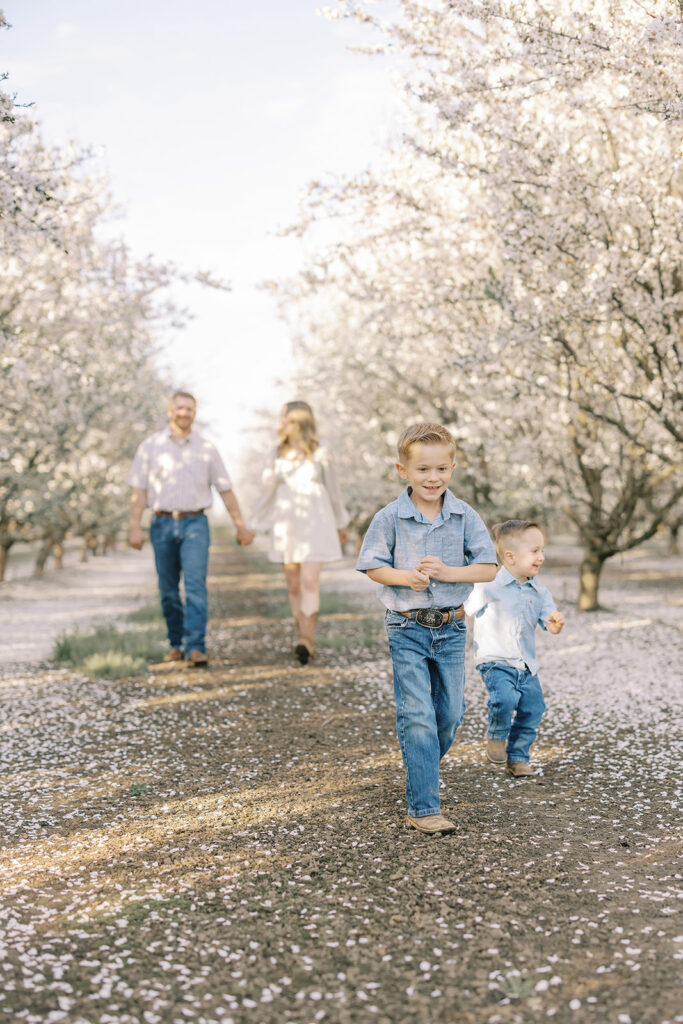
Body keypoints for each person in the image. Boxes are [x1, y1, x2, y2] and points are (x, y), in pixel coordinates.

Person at [356, 422, 497, 835]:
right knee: (417, 713)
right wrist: (405, 578)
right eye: (422, 470)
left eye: (440, 469)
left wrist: (450, 572)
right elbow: (372, 566)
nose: (432, 478)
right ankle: (423, 805)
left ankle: (421, 768)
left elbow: (489, 567)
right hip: (407, 627)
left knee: (450, 714)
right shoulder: (389, 517)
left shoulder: (465, 515)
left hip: (452, 628)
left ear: (452, 468)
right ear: (403, 470)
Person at [128, 391, 254, 666]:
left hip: (196, 522)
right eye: (180, 408)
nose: (185, 413)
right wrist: (134, 526)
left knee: (195, 586)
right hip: (161, 522)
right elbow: (139, 489)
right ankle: (176, 643)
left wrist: (240, 524)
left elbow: (226, 489)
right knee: (168, 588)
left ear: (194, 413)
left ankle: (196, 646)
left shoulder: (207, 448)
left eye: (190, 409)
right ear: (170, 411)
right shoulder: (150, 446)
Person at [463, 520, 565, 777]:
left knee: (534, 707)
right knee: (505, 698)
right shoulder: (488, 585)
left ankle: (518, 757)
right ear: (510, 556)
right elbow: (465, 610)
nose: (541, 557)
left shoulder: (539, 591)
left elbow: (548, 624)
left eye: (542, 550)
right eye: (535, 551)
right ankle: (497, 735)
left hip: (526, 664)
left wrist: (555, 625)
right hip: (495, 660)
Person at [249, 401, 349, 664]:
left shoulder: (321, 453)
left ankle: (307, 640)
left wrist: (341, 523)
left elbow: (334, 491)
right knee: (293, 585)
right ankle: (302, 636)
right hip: (286, 525)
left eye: (285, 417)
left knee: (308, 582)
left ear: (297, 420)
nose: (281, 422)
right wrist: (252, 524)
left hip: (316, 522)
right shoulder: (276, 453)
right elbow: (266, 492)